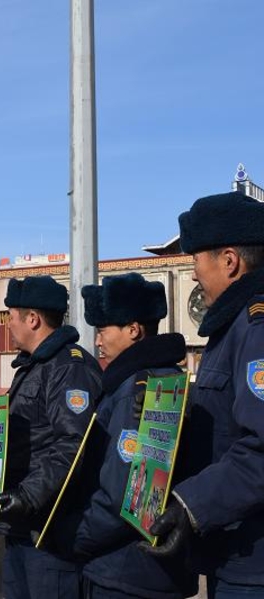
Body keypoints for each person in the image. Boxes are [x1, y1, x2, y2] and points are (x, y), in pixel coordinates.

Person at [144, 191, 264, 597]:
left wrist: (190, 504)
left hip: (253, 562)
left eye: (197, 258)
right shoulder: (232, 328)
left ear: (229, 261)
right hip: (231, 549)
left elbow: (260, 448)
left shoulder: (256, 328)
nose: (193, 273)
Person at [61, 273, 196, 598]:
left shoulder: (135, 389)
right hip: (154, 570)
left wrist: (73, 537)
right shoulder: (165, 380)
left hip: (125, 571)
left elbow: (123, 493)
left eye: (104, 330)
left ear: (133, 330)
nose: (98, 341)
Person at [0, 276, 102, 599]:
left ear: (33, 319)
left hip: (49, 533)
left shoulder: (68, 368)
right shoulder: (35, 366)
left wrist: (27, 496)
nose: (7, 324)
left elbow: (73, 444)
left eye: (10, 316)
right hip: (22, 525)